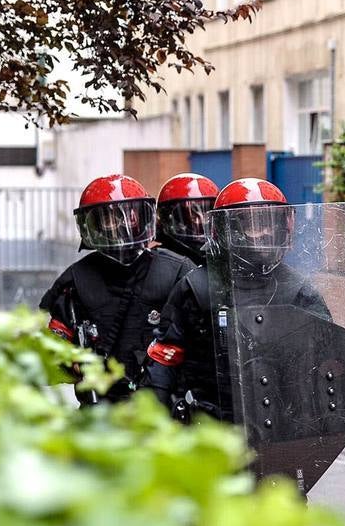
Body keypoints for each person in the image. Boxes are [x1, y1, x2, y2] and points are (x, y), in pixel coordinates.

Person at [144, 178, 323, 424]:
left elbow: (329, 356)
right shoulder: (197, 287)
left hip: (282, 429)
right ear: (229, 229)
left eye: (271, 223)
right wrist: (154, 420)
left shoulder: (299, 289)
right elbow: (164, 362)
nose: (265, 232)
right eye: (254, 224)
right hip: (210, 428)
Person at [42, 174, 193, 403]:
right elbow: (50, 356)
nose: (121, 225)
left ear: (143, 216)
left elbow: (204, 347)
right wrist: (73, 363)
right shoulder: (77, 280)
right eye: (110, 218)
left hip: (164, 414)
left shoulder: (177, 272)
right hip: (101, 416)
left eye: (128, 215)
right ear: (92, 225)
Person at [155, 173, 219, 264]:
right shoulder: (157, 262)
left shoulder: (224, 257)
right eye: (191, 214)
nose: (200, 220)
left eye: (207, 211)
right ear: (167, 218)